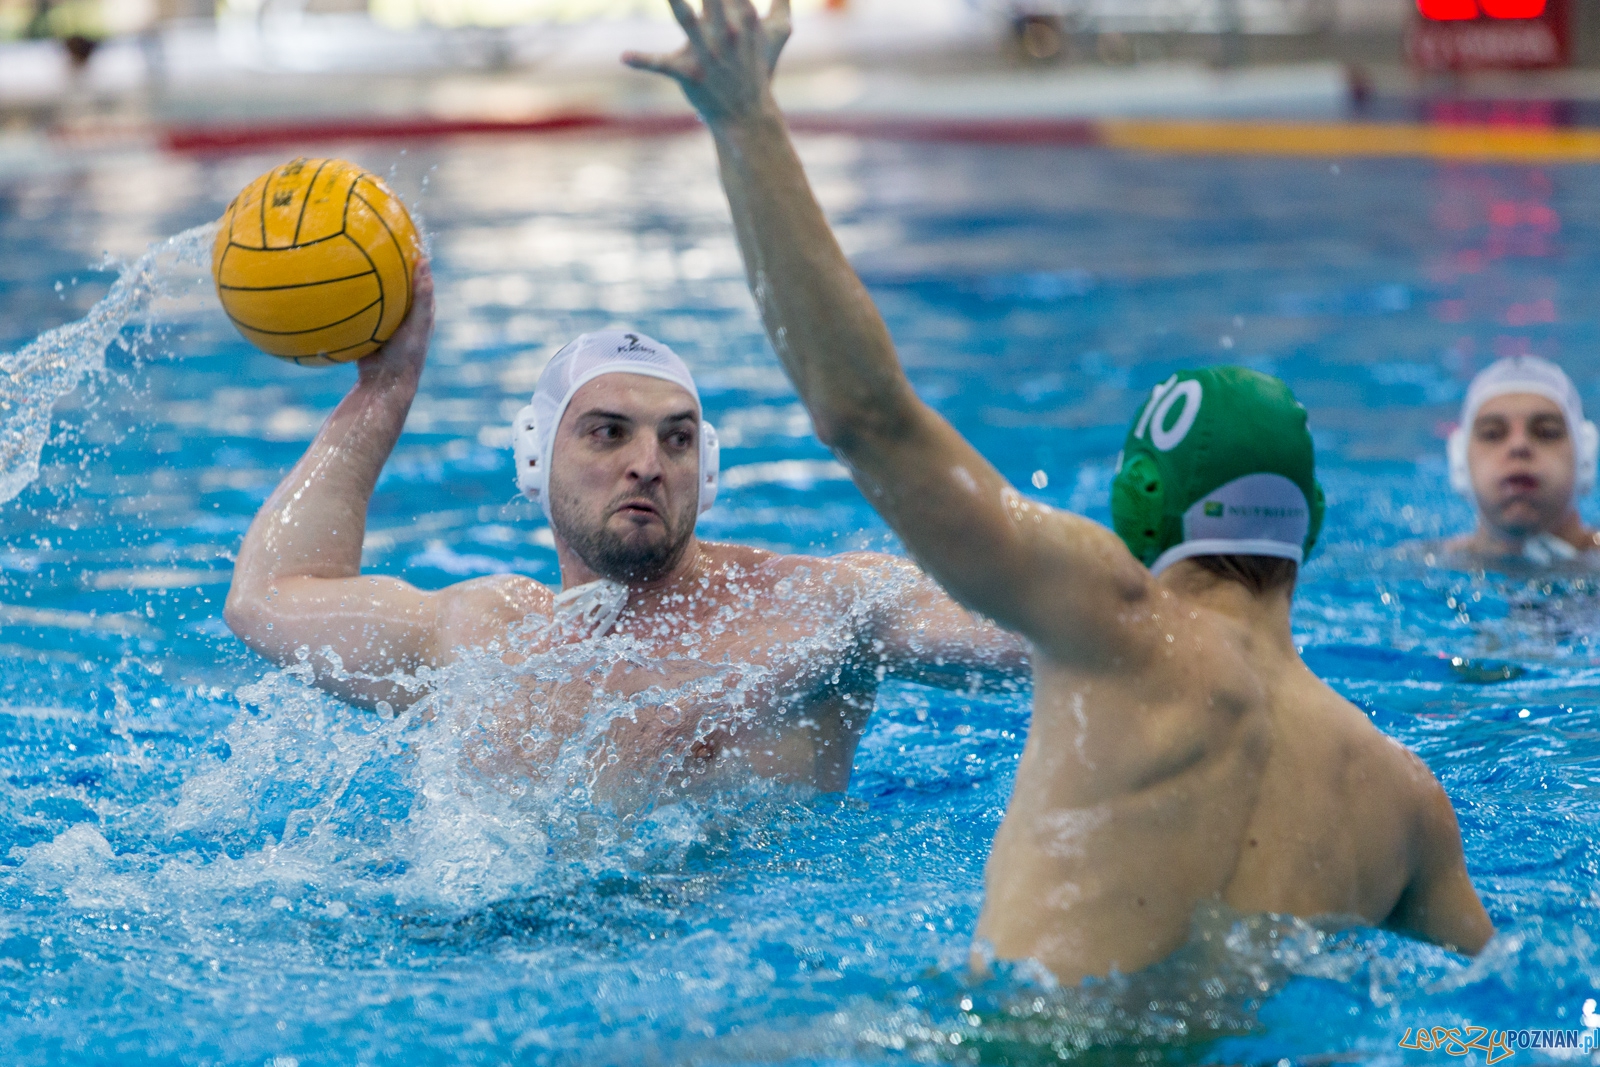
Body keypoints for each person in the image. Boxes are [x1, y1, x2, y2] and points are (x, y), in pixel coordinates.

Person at [627, 0, 1495, 982]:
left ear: (1139, 507)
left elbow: (865, 417)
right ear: (1315, 527)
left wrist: (747, 124)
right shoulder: (1405, 798)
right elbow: (1518, 1021)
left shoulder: (1116, 621)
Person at [223, 263, 1027, 801]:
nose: (648, 462)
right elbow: (268, 597)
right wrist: (383, 391)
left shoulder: (824, 610)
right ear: (536, 456)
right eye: (608, 433)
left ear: (705, 471)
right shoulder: (475, 633)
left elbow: (1046, 632)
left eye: (677, 439)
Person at [1443, 355, 1600, 564]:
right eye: (1492, 434)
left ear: (1585, 459)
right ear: (1460, 463)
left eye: (1546, 432)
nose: (1519, 446)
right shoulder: (1423, 565)